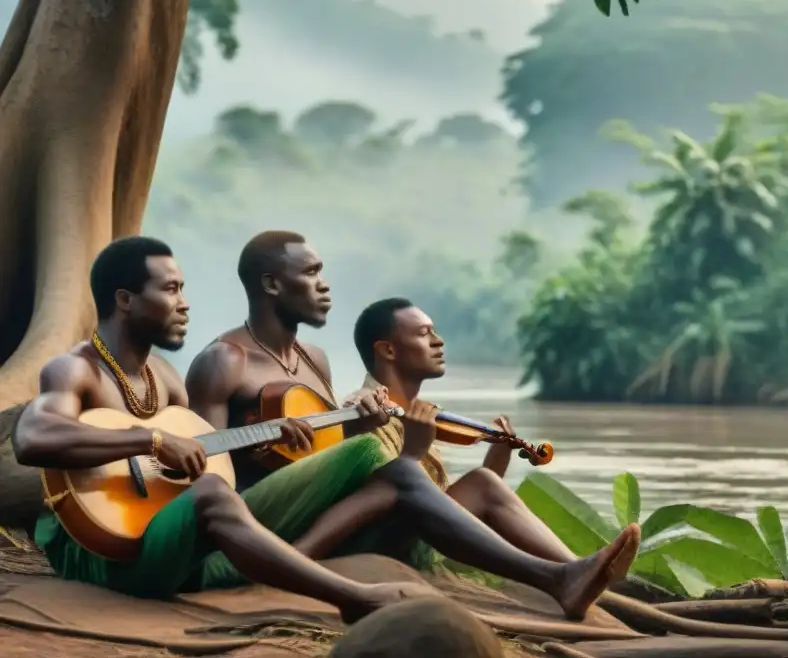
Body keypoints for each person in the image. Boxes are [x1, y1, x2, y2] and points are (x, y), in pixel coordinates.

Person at [184, 230, 639, 621]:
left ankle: (586, 580)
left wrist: (360, 434)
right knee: (394, 469)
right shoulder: (225, 361)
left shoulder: (314, 361)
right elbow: (204, 477)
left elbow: (324, 462)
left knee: (477, 481)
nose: (324, 287)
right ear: (271, 284)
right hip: (258, 527)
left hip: (324, 509)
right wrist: (264, 452)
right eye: (311, 274)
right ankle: (560, 577)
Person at [12, 236, 437, 622]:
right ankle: (353, 597)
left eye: (183, 289)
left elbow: (201, 467)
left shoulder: (167, 379)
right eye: (171, 289)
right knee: (212, 495)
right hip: (97, 553)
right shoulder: (75, 369)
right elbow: (34, 439)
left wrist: (266, 440)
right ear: (125, 300)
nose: (185, 304)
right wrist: (152, 440)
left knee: (363, 463)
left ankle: (264, 563)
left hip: (166, 544)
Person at [351, 297, 594, 570]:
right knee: (481, 483)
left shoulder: (416, 415)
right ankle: (573, 569)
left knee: (484, 481)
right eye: (423, 333)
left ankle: (574, 569)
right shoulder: (365, 408)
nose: (438, 341)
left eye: (434, 331)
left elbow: (447, 510)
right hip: (383, 544)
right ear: (388, 351)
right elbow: (398, 503)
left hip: (418, 532)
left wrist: (497, 458)